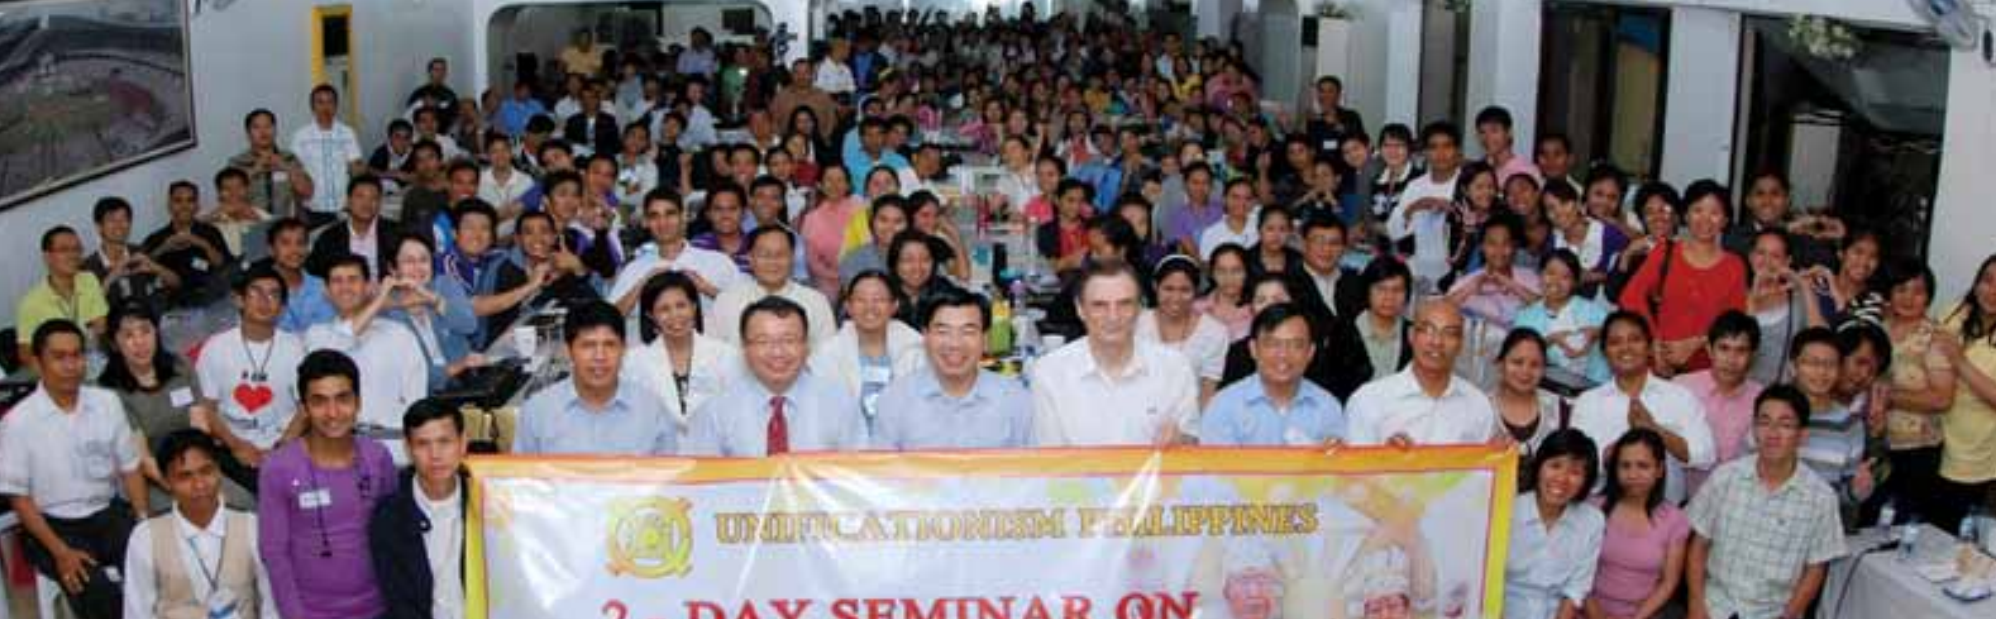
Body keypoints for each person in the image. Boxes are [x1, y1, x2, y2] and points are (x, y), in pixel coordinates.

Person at [0, 320, 149, 619]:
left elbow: (130, 469)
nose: (71, 365)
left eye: (76, 355)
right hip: (52, 527)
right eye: (59, 357)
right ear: (38, 363)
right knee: (94, 587)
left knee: (152, 565)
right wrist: (60, 553)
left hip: (107, 514)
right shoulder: (18, 422)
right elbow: (20, 499)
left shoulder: (107, 403)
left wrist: (144, 525)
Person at [256, 349, 397, 619]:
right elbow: (274, 554)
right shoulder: (278, 468)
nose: (332, 413)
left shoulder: (377, 456)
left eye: (342, 399)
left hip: (380, 609)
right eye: (319, 401)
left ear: (358, 402)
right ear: (305, 409)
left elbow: (394, 534)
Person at [1685, 385, 1846, 619]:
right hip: (1714, 606)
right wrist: (1696, 604)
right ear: (1753, 429)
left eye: (1785, 424)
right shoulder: (1725, 477)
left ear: (1802, 435)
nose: (1772, 433)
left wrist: (1789, 615)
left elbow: (1816, 568)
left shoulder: (1820, 497)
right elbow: (1699, 544)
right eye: (1764, 422)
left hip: (1774, 612)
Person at [98, 302, 250, 510]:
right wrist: (184, 487)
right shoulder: (110, 391)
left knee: (244, 504)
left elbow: (200, 427)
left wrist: (200, 477)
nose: (140, 342)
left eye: (145, 331)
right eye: (128, 335)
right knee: (189, 521)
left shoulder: (179, 365)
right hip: (152, 477)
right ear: (115, 343)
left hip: (195, 462)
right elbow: (142, 459)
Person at [1030, 261, 1200, 447]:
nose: (1113, 316)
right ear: (1080, 309)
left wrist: (1180, 441)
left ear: (1140, 308)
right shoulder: (1050, 372)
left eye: (1124, 304)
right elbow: (1049, 462)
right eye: (1099, 305)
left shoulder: (1174, 367)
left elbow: (1192, 446)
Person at [121, 430, 277, 619]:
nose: (199, 485)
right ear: (167, 481)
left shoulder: (252, 526)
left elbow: (272, 603)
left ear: (219, 471)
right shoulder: (145, 537)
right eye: (185, 476)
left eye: (206, 471)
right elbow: (137, 612)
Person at [687, 296, 868, 456]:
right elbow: (701, 485)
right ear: (745, 348)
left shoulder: (840, 404)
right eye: (763, 341)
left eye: (789, 340)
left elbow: (859, 476)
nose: (777, 352)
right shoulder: (716, 412)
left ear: (807, 346)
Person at [1570, 311, 1717, 504]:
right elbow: (1576, 463)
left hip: (1667, 518)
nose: (1626, 348)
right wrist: (1618, 450)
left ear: (1649, 347)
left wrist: (1655, 430)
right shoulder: (1587, 402)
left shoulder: (1679, 396)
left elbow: (1705, 455)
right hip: (1602, 514)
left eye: (1635, 339)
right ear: (1604, 352)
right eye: (1615, 342)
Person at [872, 287, 1035, 450]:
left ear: (985, 339)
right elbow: (880, 471)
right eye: (943, 331)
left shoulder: (1015, 400)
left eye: (967, 331)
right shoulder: (895, 399)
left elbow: (1034, 469)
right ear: (925, 336)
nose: (955, 344)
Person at [513, 301, 679, 455]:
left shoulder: (652, 410)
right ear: (568, 351)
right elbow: (521, 482)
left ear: (624, 350)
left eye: (610, 345)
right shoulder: (538, 412)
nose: (600, 356)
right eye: (588, 345)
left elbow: (672, 481)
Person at [1344, 299, 1498, 446]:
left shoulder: (1477, 404)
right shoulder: (1368, 400)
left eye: (1449, 333)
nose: (1437, 341)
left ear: (1461, 344)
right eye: (1427, 330)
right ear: (1411, 335)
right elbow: (1353, 470)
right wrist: (1385, 459)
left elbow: (1488, 470)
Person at [305, 255, 430, 436]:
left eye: (353, 280)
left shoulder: (398, 333)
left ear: (368, 287)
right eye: (337, 281)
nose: (345, 287)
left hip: (393, 442)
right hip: (338, 440)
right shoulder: (316, 334)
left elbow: (416, 396)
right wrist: (379, 300)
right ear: (326, 290)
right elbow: (342, 343)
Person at [369, 398, 469, 619]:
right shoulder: (388, 516)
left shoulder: (490, 504)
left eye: (445, 442)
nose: (435, 455)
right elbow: (397, 601)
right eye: (423, 444)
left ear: (463, 443)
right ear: (408, 449)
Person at [1875, 261, 1956, 526]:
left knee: (1902, 527)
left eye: (1918, 291)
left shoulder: (1934, 337)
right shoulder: (1877, 328)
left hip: (1916, 452)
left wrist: (1889, 396)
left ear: (1929, 296)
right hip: (1876, 444)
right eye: (1901, 289)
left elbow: (1942, 398)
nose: (1908, 298)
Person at [1200, 303, 1346, 447]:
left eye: (1296, 345)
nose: (1283, 354)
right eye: (1272, 344)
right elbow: (1219, 469)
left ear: (1310, 352)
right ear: (1253, 349)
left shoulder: (1327, 407)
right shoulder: (1224, 406)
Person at [1587, 429, 1690, 619]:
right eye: (1625, 466)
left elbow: (1669, 581)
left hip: (1644, 614)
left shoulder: (1675, 520)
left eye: (1643, 466)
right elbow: (1574, 572)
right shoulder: (1593, 509)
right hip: (1587, 611)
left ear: (1659, 470)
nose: (1633, 474)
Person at [1504, 429, 1603, 619]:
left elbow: (1576, 588)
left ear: (1586, 480)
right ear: (1540, 466)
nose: (1562, 479)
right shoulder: (1506, 510)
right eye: (1555, 465)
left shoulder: (1592, 520)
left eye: (1575, 472)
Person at [625, 271, 740, 434]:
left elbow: (737, 412)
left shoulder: (726, 355)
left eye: (681, 306)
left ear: (693, 307)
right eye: (664, 309)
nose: (675, 315)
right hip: (656, 455)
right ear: (651, 315)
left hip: (715, 454)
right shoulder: (633, 361)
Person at [1781, 327, 1873, 525]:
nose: (1821, 372)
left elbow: (1845, 494)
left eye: (1830, 364)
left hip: (1819, 532)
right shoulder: (1774, 412)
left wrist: (1857, 490)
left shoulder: (1850, 424)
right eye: (1812, 363)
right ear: (1793, 367)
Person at [1673, 311, 1766, 497]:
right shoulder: (1681, 388)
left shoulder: (1762, 399)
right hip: (1683, 501)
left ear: (1753, 355)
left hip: (1739, 501)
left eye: (1741, 350)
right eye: (1724, 348)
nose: (1731, 360)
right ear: (1709, 349)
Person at [810, 272, 921, 423]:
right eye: (861, 300)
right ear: (848, 306)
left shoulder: (916, 348)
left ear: (894, 305)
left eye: (879, 300)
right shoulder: (828, 354)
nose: (870, 307)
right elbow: (823, 412)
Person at [1936, 254, 1996, 529]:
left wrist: (1959, 361)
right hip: (1933, 444)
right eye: (1987, 280)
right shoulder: (1954, 312)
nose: (1992, 291)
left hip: (1979, 461)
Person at [608, 189, 738, 314]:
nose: (662, 222)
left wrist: (707, 288)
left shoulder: (718, 262)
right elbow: (608, 319)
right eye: (654, 216)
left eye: (670, 214)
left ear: (683, 217)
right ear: (646, 222)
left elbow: (744, 307)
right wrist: (642, 286)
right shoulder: (634, 270)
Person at [707, 226, 838, 345]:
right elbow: (713, 352)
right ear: (750, 259)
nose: (773, 261)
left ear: (792, 258)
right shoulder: (726, 300)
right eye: (764, 254)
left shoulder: (816, 301)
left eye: (780, 254)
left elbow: (827, 355)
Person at [1138, 257, 1230, 408]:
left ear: (1196, 290)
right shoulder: (1136, 324)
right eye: (1168, 289)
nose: (1176, 298)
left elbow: (1207, 394)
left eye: (1185, 290)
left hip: (1188, 422)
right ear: (1155, 286)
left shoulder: (1214, 332)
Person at [1388, 122, 1464, 290]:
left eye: (1447, 146)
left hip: (1456, 276)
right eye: (1433, 147)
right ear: (1424, 153)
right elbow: (1394, 232)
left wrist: (1454, 211)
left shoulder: (1466, 184)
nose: (1440, 153)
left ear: (1458, 150)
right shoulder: (1415, 186)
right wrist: (1417, 205)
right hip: (1417, 272)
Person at [1743, 229, 1826, 385]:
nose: (1767, 261)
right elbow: (1743, 344)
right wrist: (1753, 297)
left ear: (1787, 261)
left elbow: (1822, 339)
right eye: (1761, 253)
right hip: (1741, 393)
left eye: (1775, 256)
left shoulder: (1798, 299)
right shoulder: (1736, 294)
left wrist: (1803, 285)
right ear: (1751, 256)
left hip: (1783, 396)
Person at [1514, 250, 1609, 383]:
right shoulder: (1525, 317)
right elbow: (1517, 355)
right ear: (1540, 275)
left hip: (1595, 386)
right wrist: (1550, 340)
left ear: (1575, 282)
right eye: (1550, 273)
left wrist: (1596, 333)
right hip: (1546, 388)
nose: (1556, 282)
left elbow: (1617, 337)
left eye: (1565, 277)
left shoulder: (1593, 311)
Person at [18, 226, 111, 362]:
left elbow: (101, 327)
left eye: (77, 249)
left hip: (93, 359)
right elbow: (25, 353)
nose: (73, 255)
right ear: (47, 257)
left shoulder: (88, 279)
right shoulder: (30, 302)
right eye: (64, 250)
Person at [290, 85, 366, 228]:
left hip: (344, 208)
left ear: (336, 106)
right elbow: (295, 175)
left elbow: (357, 170)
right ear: (312, 106)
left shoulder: (347, 133)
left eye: (330, 102)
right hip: (313, 210)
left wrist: (356, 202)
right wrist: (299, 210)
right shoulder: (301, 136)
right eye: (320, 102)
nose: (325, 107)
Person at [85, 197, 175, 313]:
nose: (119, 225)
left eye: (124, 219)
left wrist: (154, 267)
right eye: (112, 220)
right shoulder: (88, 267)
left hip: (150, 321)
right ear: (99, 227)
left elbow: (176, 283)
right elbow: (87, 311)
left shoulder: (140, 251)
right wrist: (112, 277)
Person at [1488, 329, 1563, 466]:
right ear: (1500, 364)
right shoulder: (1480, 407)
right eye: (1517, 362)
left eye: (1535, 365)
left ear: (1544, 370)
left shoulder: (1560, 408)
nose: (1525, 371)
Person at [307, 176, 404, 280]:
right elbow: (313, 273)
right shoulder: (329, 238)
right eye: (360, 196)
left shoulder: (397, 233)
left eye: (373, 198)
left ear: (380, 203)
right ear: (348, 201)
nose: (367, 203)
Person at [228, 108, 314, 219]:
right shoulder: (237, 162)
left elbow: (307, 192)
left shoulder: (290, 158)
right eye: (256, 127)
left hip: (286, 227)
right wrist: (255, 170)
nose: (263, 132)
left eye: (268, 126)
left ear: (275, 130)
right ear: (248, 133)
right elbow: (229, 196)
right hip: (250, 225)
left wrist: (286, 167)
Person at [1353, 257, 1415, 382]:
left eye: (1397, 290)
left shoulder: (1415, 334)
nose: (1389, 297)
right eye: (1381, 289)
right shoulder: (1344, 332)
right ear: (1367, 290)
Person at [1297, 215, 1365, 322]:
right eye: (1319, 242)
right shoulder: (1287, 284)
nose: (1326, 249)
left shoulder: (1356, 282)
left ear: (1344, 248)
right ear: (1304, 244)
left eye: (1334, 243)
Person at [1475, 106, 1540, 184]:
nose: (1487, 137)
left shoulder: (1526, 170)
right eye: (1482, 132)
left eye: (1494, 131)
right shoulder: (1481, 168)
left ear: (1509, 132)